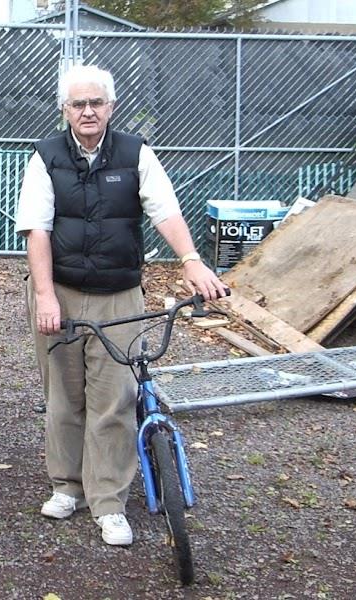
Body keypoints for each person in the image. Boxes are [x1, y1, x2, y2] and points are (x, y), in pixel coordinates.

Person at [15, 64, 228, 545]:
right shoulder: (45, 157)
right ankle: (67, 487)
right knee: (64, 396)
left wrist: (191, 260)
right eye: (77, 104)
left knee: (115, 399)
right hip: (62, 292)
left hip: (119, 294)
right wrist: (46, 294)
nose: (87, 111)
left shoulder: (136, 153)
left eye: (96, 103)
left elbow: (165, 209)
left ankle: (108, 501)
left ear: (111, 107)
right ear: (64, 110)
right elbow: (37, 229)